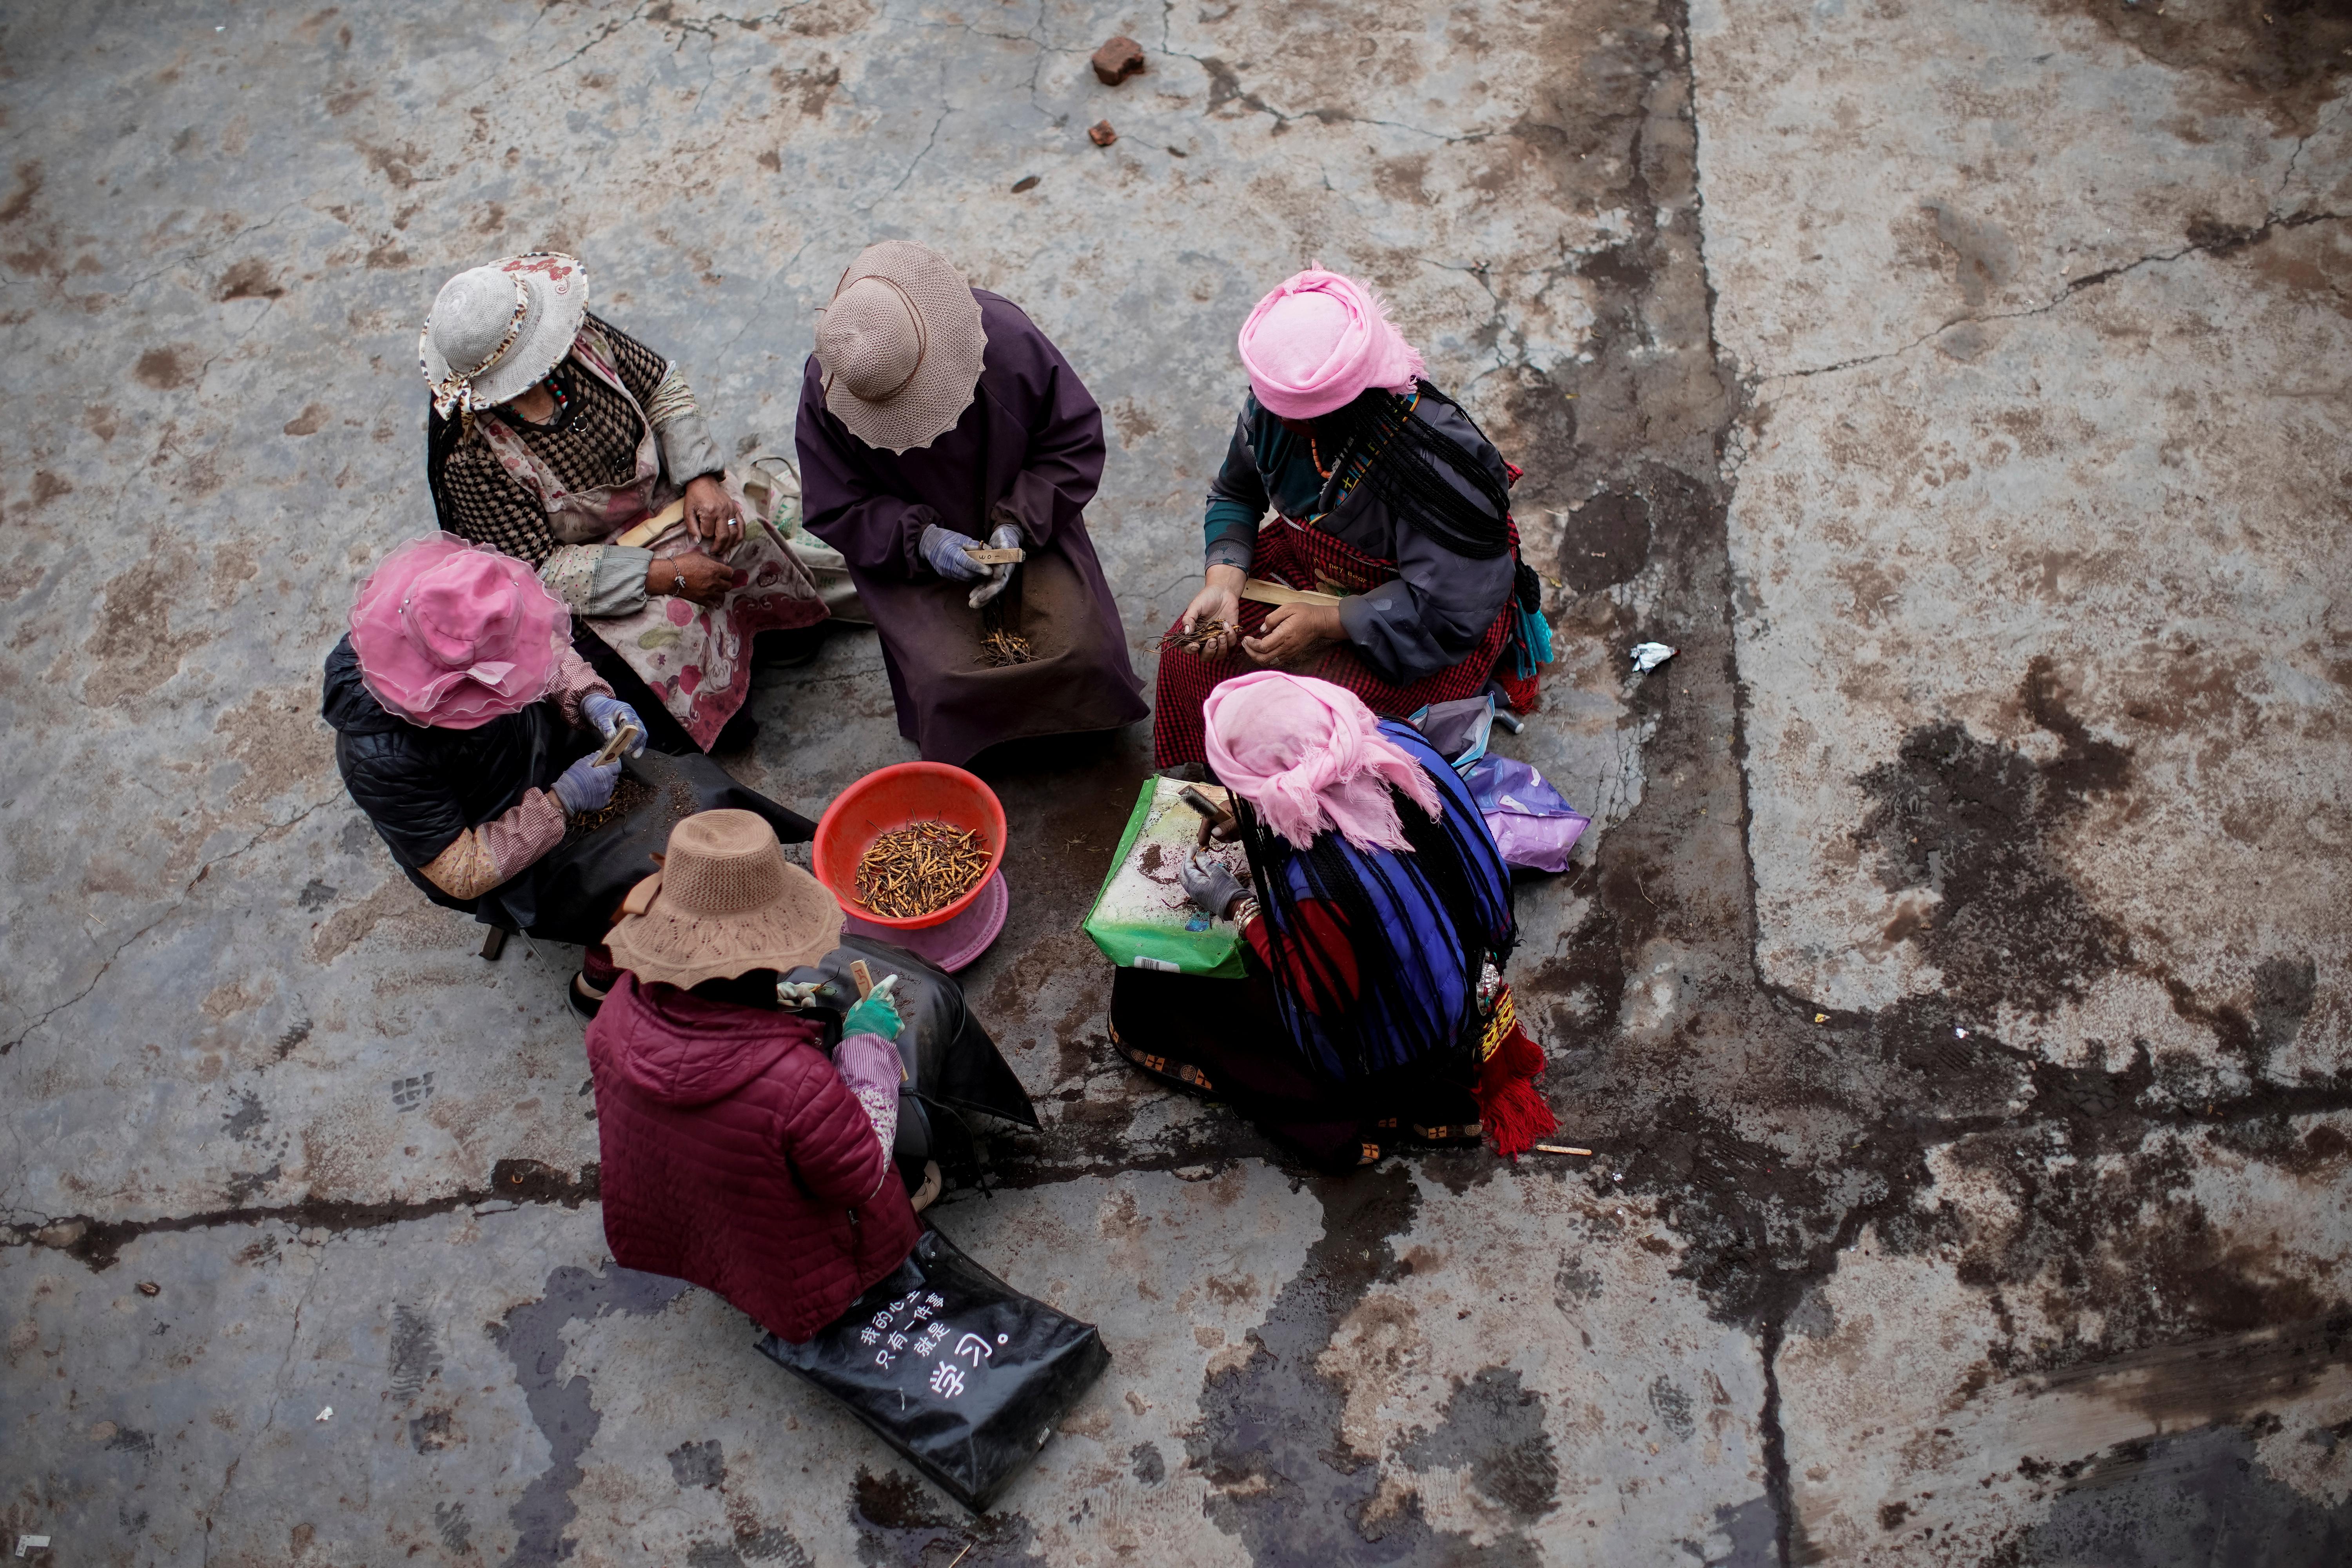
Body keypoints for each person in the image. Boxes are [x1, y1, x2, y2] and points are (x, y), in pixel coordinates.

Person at [325, 535, 815, 1011]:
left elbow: (545, 651)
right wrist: (561, 802)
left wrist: (590, 697)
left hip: (552, 753)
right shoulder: (381, 757)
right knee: (655, 881)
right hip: (505, 835)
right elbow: (461, 870)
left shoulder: (450, 607)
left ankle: (744, 880)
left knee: (698, 791)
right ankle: (600, 977)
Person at [1109, 672, 1557, 1165]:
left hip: (1412, 1028)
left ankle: (1353, 1115)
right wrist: (1259, 817)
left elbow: (1323, 993)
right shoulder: (1394, 738)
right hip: (1468, 955)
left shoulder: (1322, 879)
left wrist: (1238, 907)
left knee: (1153, 984)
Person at [420, 250, 827, 754]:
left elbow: (661, 386)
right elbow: (536, 573)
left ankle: (772, 642)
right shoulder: (470, 455)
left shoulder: (575, 336)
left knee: (736, 528)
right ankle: (723, 720)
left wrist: (700, 478)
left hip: (660, 497)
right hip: (593, 565)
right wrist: (669, 574)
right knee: (669, 631)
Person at [1151, 269, 1552, 770]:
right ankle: (1223, 778)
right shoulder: (1269, 412)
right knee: (1187, 653)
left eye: (1284, 406)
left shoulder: (1435, 461)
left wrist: (1328, 622)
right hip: (1307, 570)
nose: (1265, 409)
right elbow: (1235, 492)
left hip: (1409, 616)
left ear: (1337, 405)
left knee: (1310, 724)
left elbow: (1454, 603)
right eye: (1265, 395)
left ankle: (1294, 815)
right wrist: (1225, 583)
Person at [794, 241, 1147, 764]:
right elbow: (836, 506)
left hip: (1027, 521)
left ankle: (1079, 726)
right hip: (908, 553)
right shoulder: (835, 382)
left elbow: (1071, 444)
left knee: (1083, 653)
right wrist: (924, 542)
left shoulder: (1002, 339)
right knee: (946, 680)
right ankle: (981, 746)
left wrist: (1016, 526)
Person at [585, 809, 921, 1343]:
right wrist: (866, 1045)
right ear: (769, 960)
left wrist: (772, 1012)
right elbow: (860, 1176)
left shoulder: (613, 1016)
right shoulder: (795, 1083)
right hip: (789, 1253)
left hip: (689, 1215)